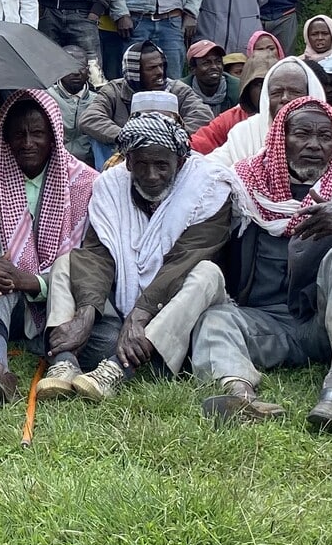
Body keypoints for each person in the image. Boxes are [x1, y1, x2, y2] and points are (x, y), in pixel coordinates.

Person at [192, 95, 332, 429]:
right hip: (265, 322)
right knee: (214, 319)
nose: (314, 144)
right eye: (302, 134)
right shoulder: (246, 182)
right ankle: (240, 395)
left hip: (326, 323)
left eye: (324, 137)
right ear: (280, 138)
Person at [39, 113, 233, 402]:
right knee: (66, 263)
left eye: (162, 165)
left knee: (207, 273)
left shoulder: (209, 187)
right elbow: (98, 255)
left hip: (173, 319)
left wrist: (141, 313)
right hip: (116, 318)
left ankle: (118, 368)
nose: (152, 175)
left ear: (180, 163)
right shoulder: (110, 186)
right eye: (142, 164)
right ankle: (64, 361)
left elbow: (184, 261)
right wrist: (86, 314)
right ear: (128, 162)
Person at [0, 91, 98, 403]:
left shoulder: (84, 183)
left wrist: (31, 281)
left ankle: (62, 361)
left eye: (37, 133)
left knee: (104, 334)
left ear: (54, 136)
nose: (28, 143)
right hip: (10, 301)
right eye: (18, 134)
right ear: (5, 137)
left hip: (64, 296)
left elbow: (87, 264)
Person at [86, 42, 213, 156]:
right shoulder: (114, 90)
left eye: (161, 65)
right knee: (97, 139)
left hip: (170, 155)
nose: (160, 72)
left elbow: (203, 115)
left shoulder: (177, 89)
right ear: (134, 72)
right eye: (151, 68)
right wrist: (129, 136)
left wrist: (167, 138)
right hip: (124, 153)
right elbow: (90, 118)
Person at [49, 48, 103, 165]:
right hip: (53, 162)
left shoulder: (99, 101)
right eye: (70, 66)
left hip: (90, 164)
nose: (76, 72)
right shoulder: (46, 97)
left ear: (88, 70)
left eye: (81, 67)